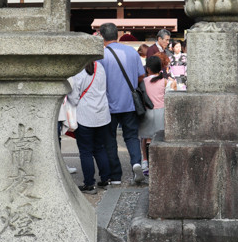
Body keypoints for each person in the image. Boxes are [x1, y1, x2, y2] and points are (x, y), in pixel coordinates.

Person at [99, 22, 146, 185]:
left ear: (101, 36)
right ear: (117, 35)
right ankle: (136, 163)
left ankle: (116, 176)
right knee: (132, 136)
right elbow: (141, 76)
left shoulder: (101, 56)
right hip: (130, 103)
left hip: (109, 104)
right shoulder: (132, 52)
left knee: (110, 140)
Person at [67, 60, 110, 194]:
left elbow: (74, 99)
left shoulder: (78, 71)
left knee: (86, 152)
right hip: (102, 114)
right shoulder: (100, 66)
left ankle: (89, 184)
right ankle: (105, 179)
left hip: (85, 116)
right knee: (100, 148)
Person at [139, 55, 173, 173]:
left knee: (144, 138)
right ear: (160, 68)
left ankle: (145, 162)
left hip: (147, 112)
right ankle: (159, 163)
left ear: (148, 69)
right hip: (161, 113)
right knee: (159, 139)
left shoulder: (143, 81)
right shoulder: (165, 81)